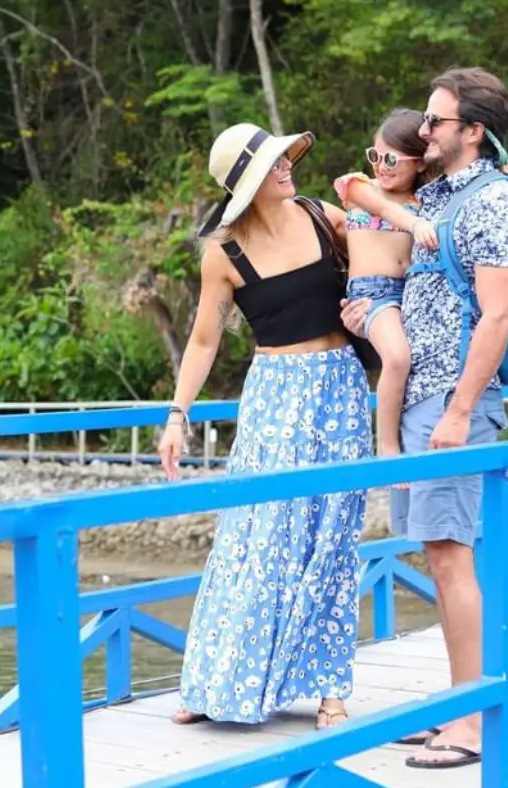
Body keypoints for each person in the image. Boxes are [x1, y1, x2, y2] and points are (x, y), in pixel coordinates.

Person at [340, 67, 508, 770]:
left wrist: (456, 412)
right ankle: (456, 709)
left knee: (451, 558)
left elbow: (499, 313)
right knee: (438, 553)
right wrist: (366, 318)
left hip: (452, 402)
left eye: (435, 122)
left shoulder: (498, 203)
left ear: (473, 131)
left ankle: (472, 727)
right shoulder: (442, 198)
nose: (423, 132)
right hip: (420, 394)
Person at [158, 121, 373, 732]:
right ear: (246, 185)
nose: (287, 166)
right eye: (272, 164)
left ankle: (329, 685)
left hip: (340, 390)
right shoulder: (221, 254)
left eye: (283, 158)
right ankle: (213, 679)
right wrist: (177, 416)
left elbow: (380, 261)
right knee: (257, 535)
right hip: (275, 397)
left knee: (331, 534)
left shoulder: (319, 214)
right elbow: (203, 341)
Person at [332, 108, 439, 468]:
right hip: (372, 294)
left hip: (411, 294)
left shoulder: (427, 201)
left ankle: (417, 432)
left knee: (418, 364)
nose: (381, 164)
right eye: (375, 154)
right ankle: (388, 447)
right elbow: (382, 208)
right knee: (397, 357)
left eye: (392, 158)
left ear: (420, 163)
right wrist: (415, 224)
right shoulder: (360, 188)